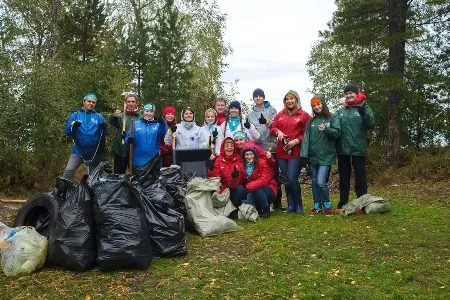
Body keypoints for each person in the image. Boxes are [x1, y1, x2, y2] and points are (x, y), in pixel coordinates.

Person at [335, 83, 375, 210]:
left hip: (358, 148)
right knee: (344, 177)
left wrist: (364, 114)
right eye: (346, 94)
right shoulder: (341, 110)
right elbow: (335, 128)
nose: (349, 95)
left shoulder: (364, 106)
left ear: (357, 94)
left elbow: (371, 124)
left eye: (351, 93)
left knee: (360, 177)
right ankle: (343, 202)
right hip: (343, 149)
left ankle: (362, 203)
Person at [270, 90, 311, 213]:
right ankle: (290, 205)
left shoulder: (303, 115)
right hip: (282, 152)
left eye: (291, 98)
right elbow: (272, 128)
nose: (289, 101)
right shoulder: (280, 115)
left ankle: (299, 205)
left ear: (296, 100)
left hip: (296, 152)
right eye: (287, 99)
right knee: (286, 179)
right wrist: (278, 132)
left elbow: (309, 133)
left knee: (292, 178)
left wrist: (297, 141)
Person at [300, 95, 340, 215]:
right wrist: (304, 156)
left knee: (321, 181)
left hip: (326, 156)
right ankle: (317, 204)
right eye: (314, 105)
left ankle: (327, 204)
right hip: (313, 157)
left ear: (323, 104)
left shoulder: (332, 117)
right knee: (314, 181)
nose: (317, 107)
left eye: (318, 104)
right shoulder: (311, 122)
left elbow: (337, 133)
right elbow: (306, 139)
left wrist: (326, 130)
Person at [247, 88, 281, 209]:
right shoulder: (250, 114)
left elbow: (275, 125)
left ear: (264, 97)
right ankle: (263, 201)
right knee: (261, 175)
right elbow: (250, 132)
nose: (258, 98)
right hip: (258, 149)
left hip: (272, 147)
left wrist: (266, 121)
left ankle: (277, 202)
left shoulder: (272, 110)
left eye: (260, 96)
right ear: (253, 98)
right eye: (256, 96)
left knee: (275, 175)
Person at [63, 93, 107, 180]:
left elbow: (104, 134)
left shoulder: (99, 117)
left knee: (94, 177)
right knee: (69, 170)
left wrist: (104, 127)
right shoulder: (75, 115)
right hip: (78, 151)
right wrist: (73, 125)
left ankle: (91, 193)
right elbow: (67, 132)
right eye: (89, 101)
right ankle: (64, 191)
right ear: (83, 102)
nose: (91, 103)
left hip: (93, 153)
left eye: (93, 102)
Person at [240, 145, 278, 218]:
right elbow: (241, 180)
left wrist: (249, 187)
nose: (249, 156)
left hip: (268, 190)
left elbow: (264, 179)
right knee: (248, 199)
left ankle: (266, 210)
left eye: (251, 154)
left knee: (257, 189)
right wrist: (234, 177)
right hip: (251, 190)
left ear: (254, 154)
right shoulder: (242, 166)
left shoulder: (262, 162)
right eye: (246, 154)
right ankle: (258, 209)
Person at [126, 103, 167, 170]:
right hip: (138, 161)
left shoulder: (158, 125)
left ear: (153, 113)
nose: (149, 113)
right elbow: (127, 138)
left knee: (154, 180)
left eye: (151, 111)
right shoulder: (135, 124)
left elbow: (164, 133)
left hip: (154, 160)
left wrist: (162, 121)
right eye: (147, 111)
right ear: (143, 112)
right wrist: (129, 139)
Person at [208, 137, 246, 208]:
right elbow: (215, 178)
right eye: (227, 146)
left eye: (231, 146)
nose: (229, 148)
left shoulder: (238, 159)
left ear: (234, 148)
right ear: (223, 147)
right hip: (224, 189)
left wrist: (235, 177)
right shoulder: (218, 160)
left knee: (240, 188)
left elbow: (243, 176)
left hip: (236, 187)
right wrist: (211, 167)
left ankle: (235, 207)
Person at [109, 92, 141, 174]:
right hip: (121, 150)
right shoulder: (121, 116)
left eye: (133, 101)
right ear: (126, 103)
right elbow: (112, 122)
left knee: (135, 176)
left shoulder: (141, 117)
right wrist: (114, 116)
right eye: (129, 101)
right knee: (118, 175)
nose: (131, 103)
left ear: (137, 103)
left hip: (135, 151)